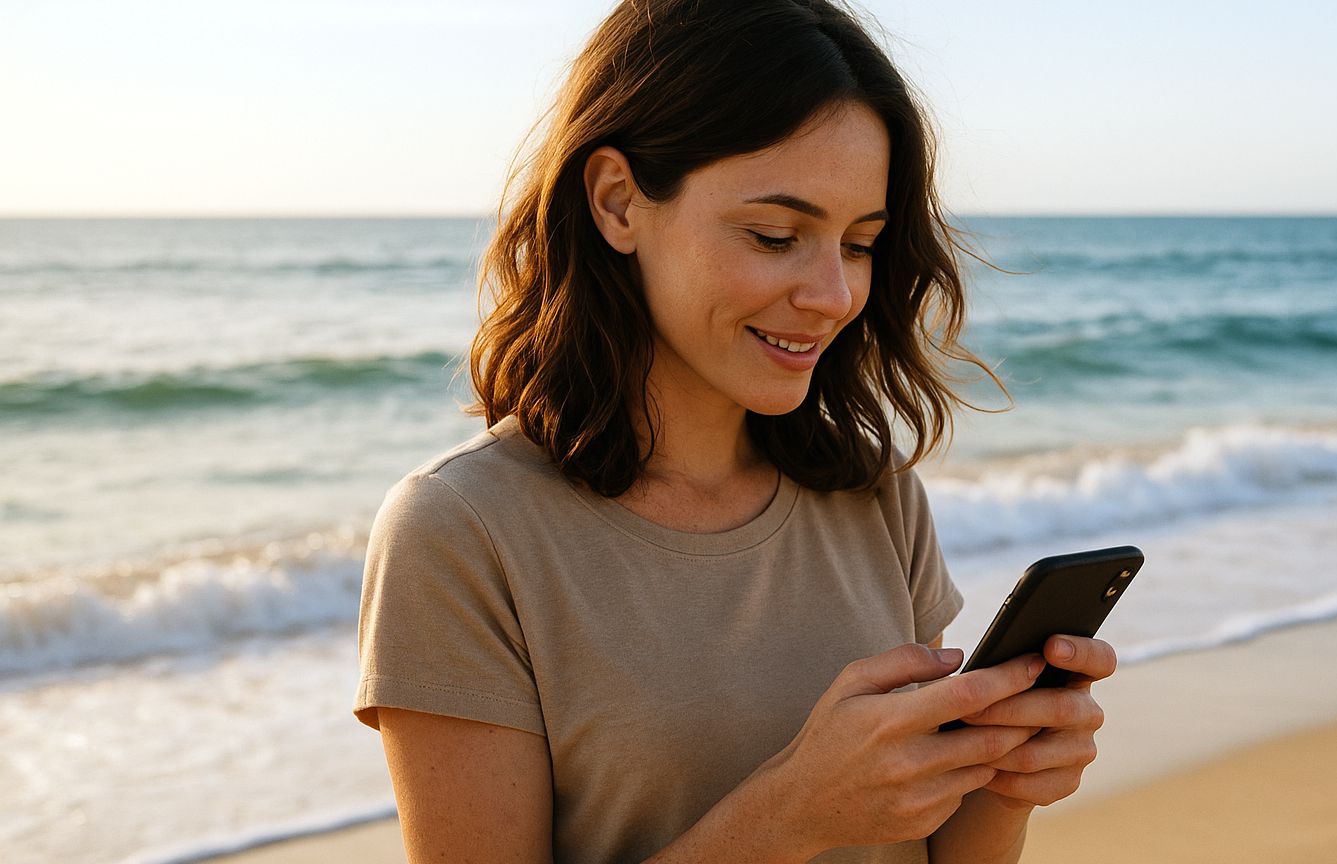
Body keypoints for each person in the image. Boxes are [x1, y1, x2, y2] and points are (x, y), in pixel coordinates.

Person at [352, 1, 1116, 861]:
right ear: (616, 202)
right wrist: (790, 816)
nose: (832, 294)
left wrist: (1003, 784)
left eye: (859, 244)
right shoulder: (463, 531)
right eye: (775, 235)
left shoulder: (874, 495)